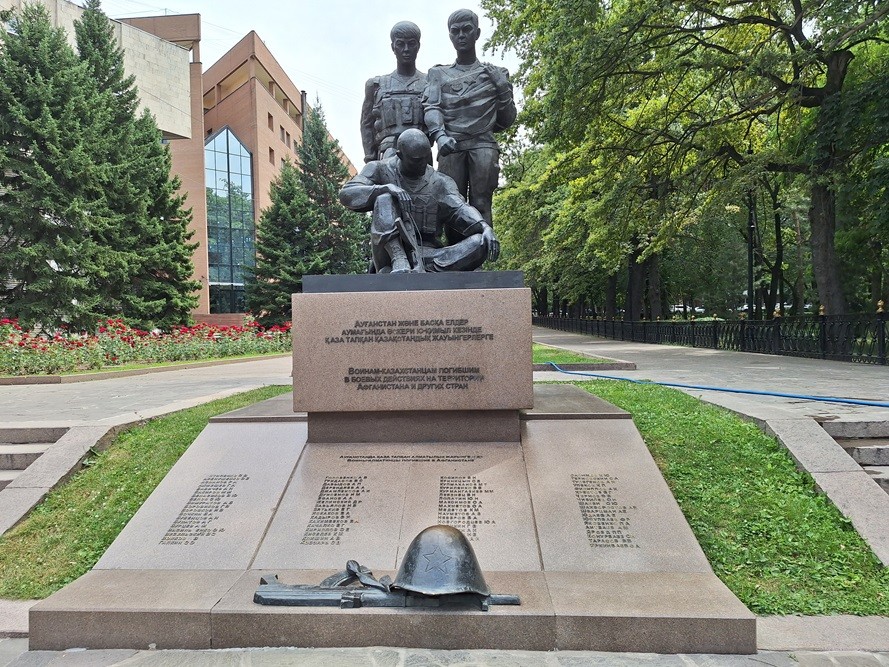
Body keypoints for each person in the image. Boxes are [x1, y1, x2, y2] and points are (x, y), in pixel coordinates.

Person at [339, 129, 499, 273]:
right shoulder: (379, 169)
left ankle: (419, 270)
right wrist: (384, 188)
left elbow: (460, 209)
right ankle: (399, 260)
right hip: (388, 253)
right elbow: (347, 194)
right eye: (416, 160)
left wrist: (484, 227)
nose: (423, 164)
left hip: (428, 254)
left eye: (425, 158)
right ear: (400, 155)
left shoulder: (440, 182)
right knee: (384, 198)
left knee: (481, 243)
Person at [422, 8, 516, 226]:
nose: (461, 35)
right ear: (450, 36)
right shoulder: (438, 74)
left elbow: (508, 119)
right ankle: (457, 257)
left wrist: (502, 87)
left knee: (481, 203)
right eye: (455, 31)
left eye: (467, 29)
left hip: (483, 144)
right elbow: (431, 107)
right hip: (451, 146)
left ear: (477, 33)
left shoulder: (495, 74)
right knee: (451, 205)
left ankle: (481, 255)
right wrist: (439, 135)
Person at [360, 21, 428, 163]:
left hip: (421, 156)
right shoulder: (376, 85)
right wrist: (370, 156)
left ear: (418, 46)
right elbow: (366, 124)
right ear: (393, 47)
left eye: (411, 43)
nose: (406, 49)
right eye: (400, 44)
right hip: (388, 153)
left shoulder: (429, 83)